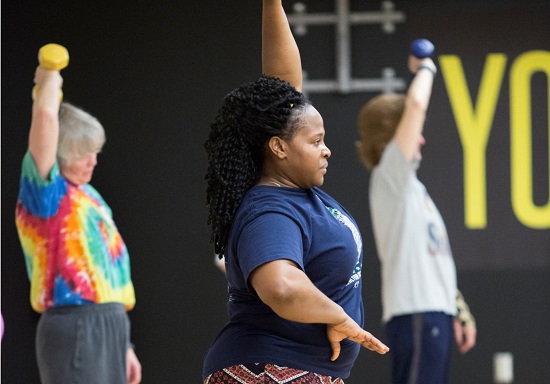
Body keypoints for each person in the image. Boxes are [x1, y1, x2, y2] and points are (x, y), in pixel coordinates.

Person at [202, 1, 389, 382]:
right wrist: (338, 316)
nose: (326, 149)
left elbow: (283, 88)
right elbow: (282, 288)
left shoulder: (293, 193)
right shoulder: (269, 211)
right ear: (279, 147)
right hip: (267, 369)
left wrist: (272, 4)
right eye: (316, 140)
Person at [15, 61, 142, 384]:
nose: (94, 161)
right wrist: (48, 78)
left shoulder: (90, 196)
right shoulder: (46, 192)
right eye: (84, 153)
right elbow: (45, 118)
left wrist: (124, 344)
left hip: (111, 325)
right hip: (74, 324)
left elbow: (106, 275)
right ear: (61, 153)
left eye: (95, 151)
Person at [356, 48, 477, 383]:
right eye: (414, 129)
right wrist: (425, 67)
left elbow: (436, 262)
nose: (422, 137)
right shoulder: (389, 175)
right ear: (395, 136)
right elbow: (417, 106)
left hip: (433, 316)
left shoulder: (414, 190)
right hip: (416, 316)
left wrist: (459, 312)